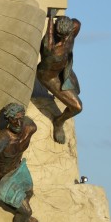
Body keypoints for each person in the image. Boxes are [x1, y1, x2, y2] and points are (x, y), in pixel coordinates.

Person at [36, 9, 82, 144]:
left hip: (64, 68)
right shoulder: (52, 50)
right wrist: (50, 18)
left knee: (77, 90)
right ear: (56, 32)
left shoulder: (74, 28)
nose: (65, 38)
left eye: (67, 35)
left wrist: (53, 15)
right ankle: (58, 122)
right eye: (61, 35)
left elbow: (74, 25)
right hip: (49, 77)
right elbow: (49, 36)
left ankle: (67, 82)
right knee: (77, 107)